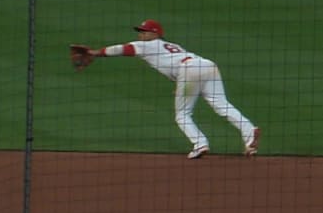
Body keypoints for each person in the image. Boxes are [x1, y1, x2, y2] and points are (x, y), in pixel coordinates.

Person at [80, 19, 260, 159]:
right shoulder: (174, 46)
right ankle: (249, 132)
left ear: (155, 33)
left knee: (182, 114)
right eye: (139, 32)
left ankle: (200, 144)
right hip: (207, 65)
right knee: (222, 105)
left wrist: (94, 53)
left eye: (144, 32)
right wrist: (180, 83)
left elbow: (122, 49)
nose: (140, 35)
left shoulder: (148, 45)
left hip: (189, 71)